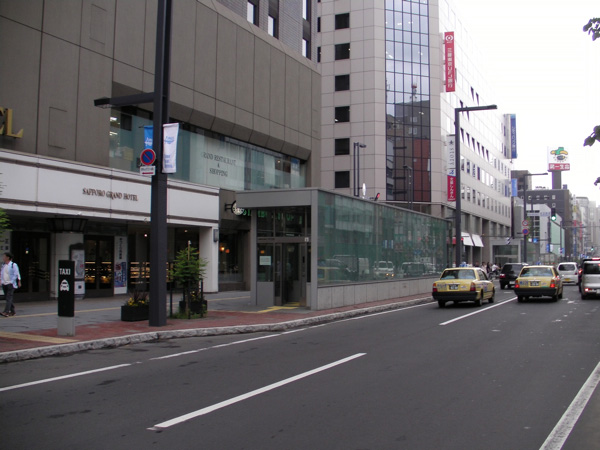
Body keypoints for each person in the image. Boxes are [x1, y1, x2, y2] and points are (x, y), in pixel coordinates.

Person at [1, 252, 21, 317]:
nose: (3, 258)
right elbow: (1, 273)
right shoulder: (3, 265)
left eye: (4, 256)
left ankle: (6, 311)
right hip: (4, 283)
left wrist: (16, 281)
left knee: (9, 297)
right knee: (7, 298)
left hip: (10, 284)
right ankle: (12, 311)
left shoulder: (13, 265)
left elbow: (16, 273)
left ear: (8, 257)